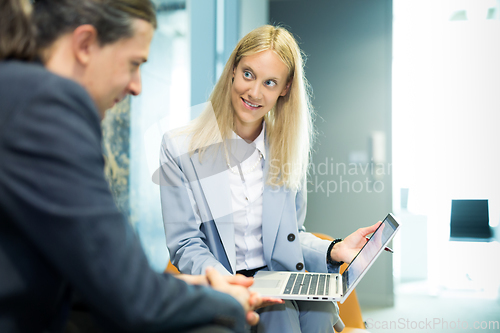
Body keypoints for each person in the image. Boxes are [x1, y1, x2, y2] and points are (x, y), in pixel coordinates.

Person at [0, 0, 263, 332]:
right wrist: (227, 303)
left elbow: (98, 273)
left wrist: (188, 289)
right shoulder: (45, 103)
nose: (137, 86)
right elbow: (133, 296)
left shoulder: (16, 93)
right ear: (84, 45)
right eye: (133, 63)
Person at [160, 25, 382, 333]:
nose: (254, 92)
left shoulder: (287, 148)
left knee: (318, 312)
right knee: (280, 315)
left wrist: (335, 249)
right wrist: (230, 284)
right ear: (233, 71)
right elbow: (185, 243)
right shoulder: (178, 147)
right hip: (226, 281)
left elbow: (293, 235)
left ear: (285, 88)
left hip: (279, 277)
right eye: (248, 74)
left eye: (270, 82)